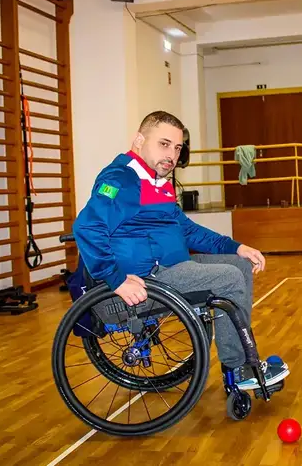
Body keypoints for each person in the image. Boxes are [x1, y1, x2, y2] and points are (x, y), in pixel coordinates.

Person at [71, 110, 289, 390]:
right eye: (164, 144)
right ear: (139, 140)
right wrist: (116, 279)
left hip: (170, 267)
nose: (171, 156)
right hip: (147, 278)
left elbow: (186, 230)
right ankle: (239, 368)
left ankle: (241, 364)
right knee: (229, 279)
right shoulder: (121, 179)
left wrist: (235, 246)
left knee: (240, 266)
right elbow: (87, 227)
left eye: (176, 148)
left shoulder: (158, 183)